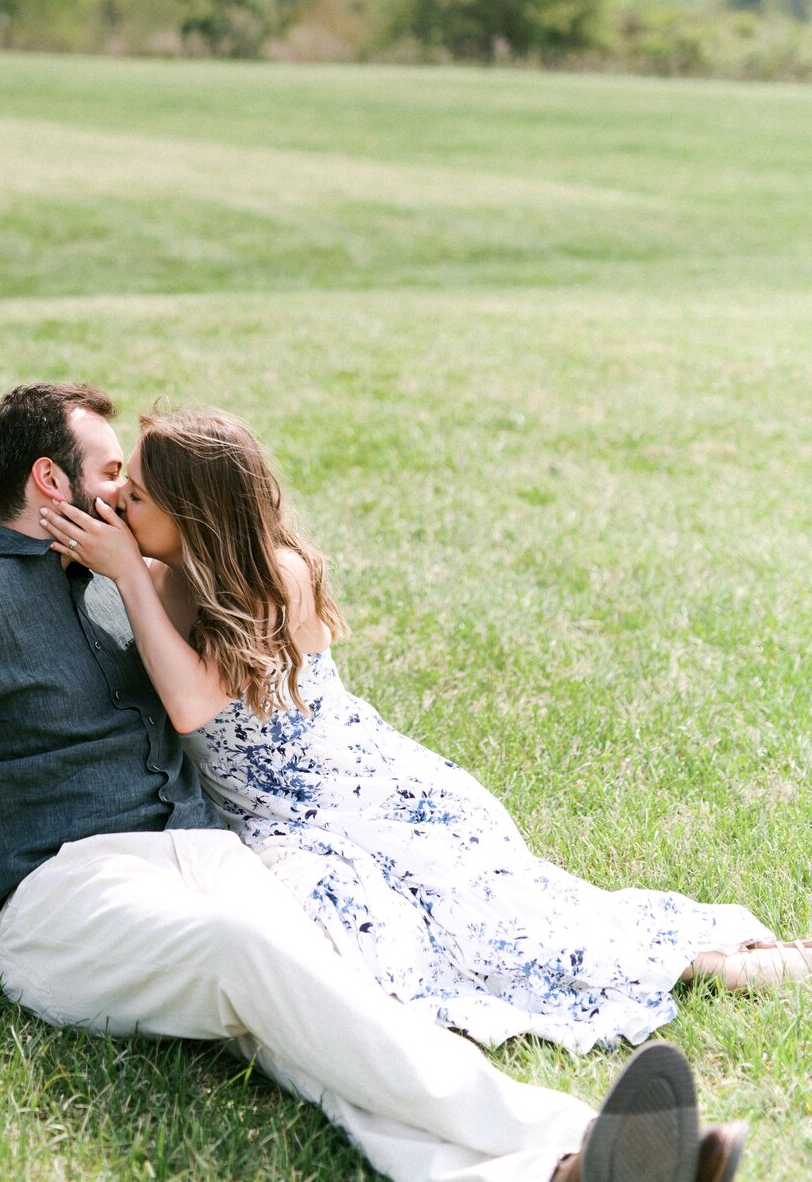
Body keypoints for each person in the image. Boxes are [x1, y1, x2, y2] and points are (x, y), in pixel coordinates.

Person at [0, 383, 746, 1182]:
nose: (127, 498)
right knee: (252, 960)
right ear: (50, 478)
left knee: (309, 1001)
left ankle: (546, 1174)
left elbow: (240, 602)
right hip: (67, 895)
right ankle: (574, 1129)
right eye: (112, 475)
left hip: (210, 853)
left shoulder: (127, 581)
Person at [40, 406, 810, 1062]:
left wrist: (130, 576)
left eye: (133, 495)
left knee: (500, 924)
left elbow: (190, 707)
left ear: (193, 515)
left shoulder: (277, 574)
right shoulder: (170, 573)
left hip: (357, 792)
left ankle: (724, 965)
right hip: (280, 822)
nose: (115, 506)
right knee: (370, 942)